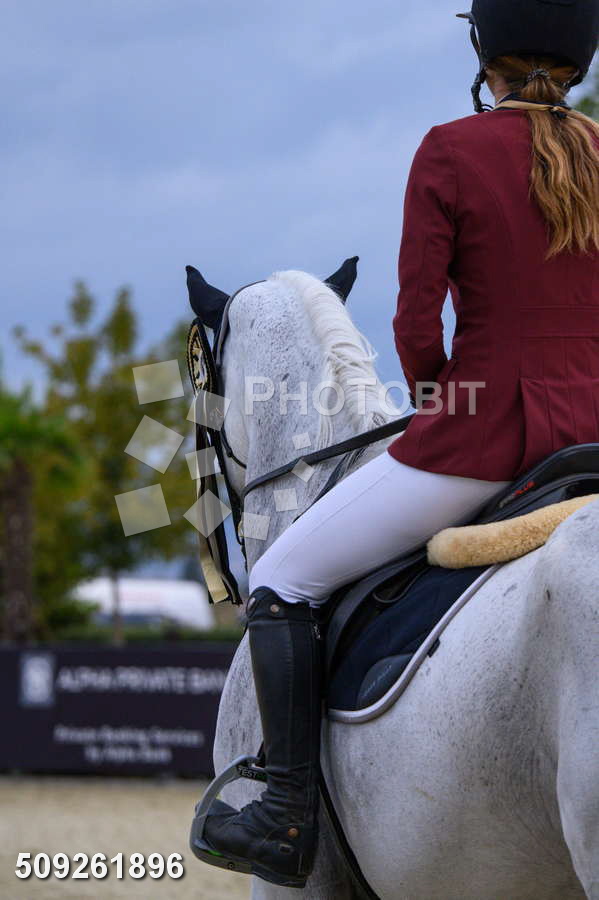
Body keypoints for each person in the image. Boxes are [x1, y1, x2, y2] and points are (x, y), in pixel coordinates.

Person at [195, 0, 599, 888]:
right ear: (582, 58)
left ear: (483, 51)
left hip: (485, 437)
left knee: (282, 577)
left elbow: (417, 320)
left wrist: (439, 401)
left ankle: (285, 809)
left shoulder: (450, 150)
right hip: (594, 437)